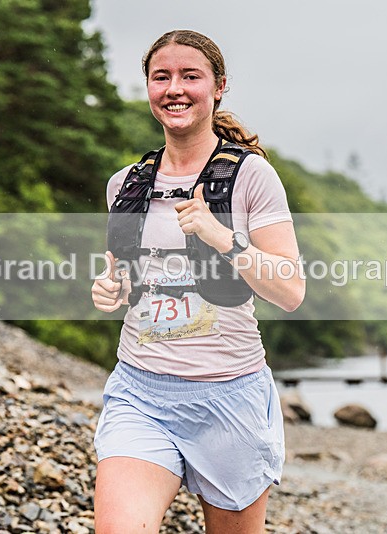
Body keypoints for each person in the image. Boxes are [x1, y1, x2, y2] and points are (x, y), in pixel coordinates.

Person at [90, 30, 305, 533]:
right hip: (139, 392)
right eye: (161, 77)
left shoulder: (251, 176)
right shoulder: (126, 184)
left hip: (229, 394)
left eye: (191, 76)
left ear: (219, 87)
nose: (175, 89)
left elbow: (291, 290)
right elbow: (119, 276)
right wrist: (109, 289)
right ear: (147, 87)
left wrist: (224, 238)